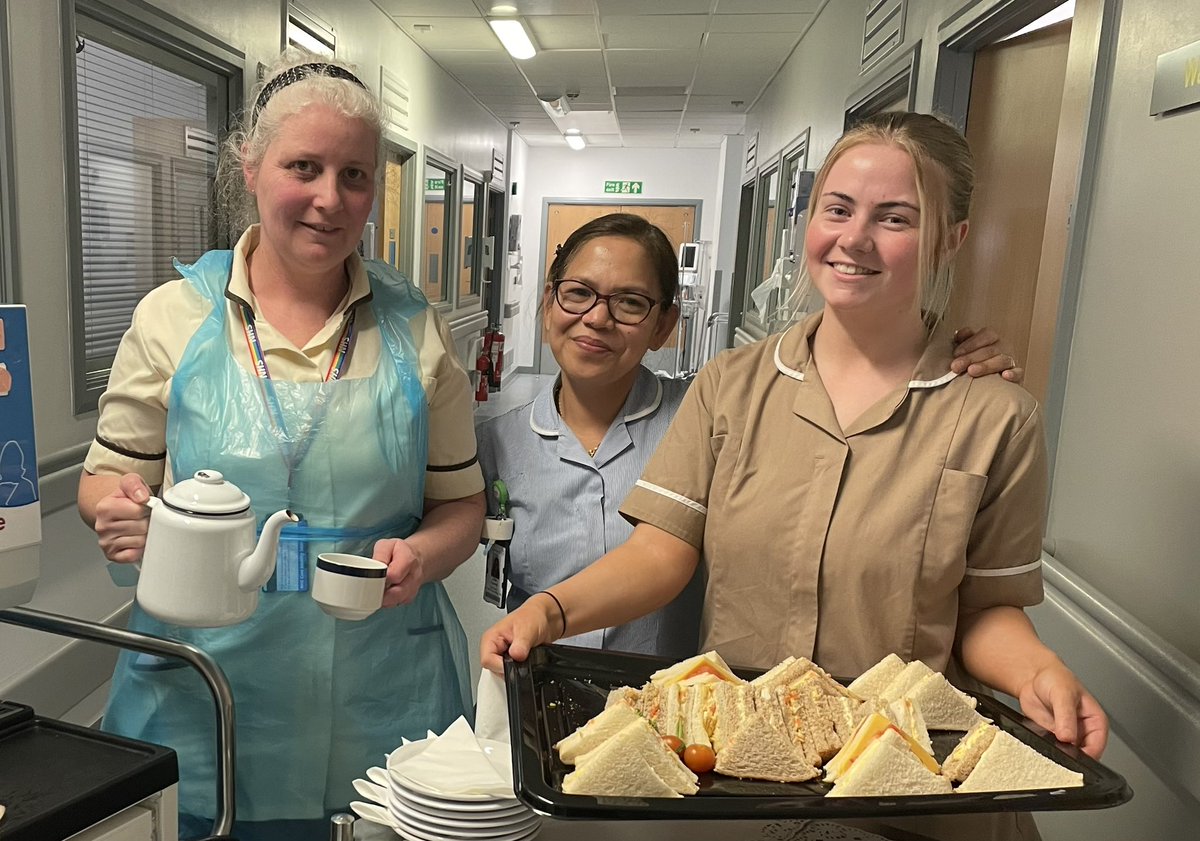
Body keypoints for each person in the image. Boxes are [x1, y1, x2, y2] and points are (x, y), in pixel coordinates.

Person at [482, 114, 1106, 841]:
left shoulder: (995, 416)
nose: (855, 238)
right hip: (746, 791)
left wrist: (1036, 673)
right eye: (837, 209)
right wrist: (550, 612)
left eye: (896, 218)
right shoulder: (732, 388)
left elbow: (987, 609)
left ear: (950, 240)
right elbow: (663, 552)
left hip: (911, 794)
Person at [77, 52, 485, 840]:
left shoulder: (416, 333)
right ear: (251, 167)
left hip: (377, 686)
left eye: (356, 175)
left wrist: (423, 557)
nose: (330, 199)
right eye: (305, 166)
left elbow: (461, 504)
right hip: (203, 685)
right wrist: (123, 510)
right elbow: (105, 482)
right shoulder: (173, 319)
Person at [477, 212, 1024, 662]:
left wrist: (928, 353)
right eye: (578, 294)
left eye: (630, 303)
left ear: (664, 326)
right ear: (548, 303)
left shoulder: (715, 417)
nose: (597, 318)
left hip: (673, 706)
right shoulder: (496, 443)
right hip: (535, 681)